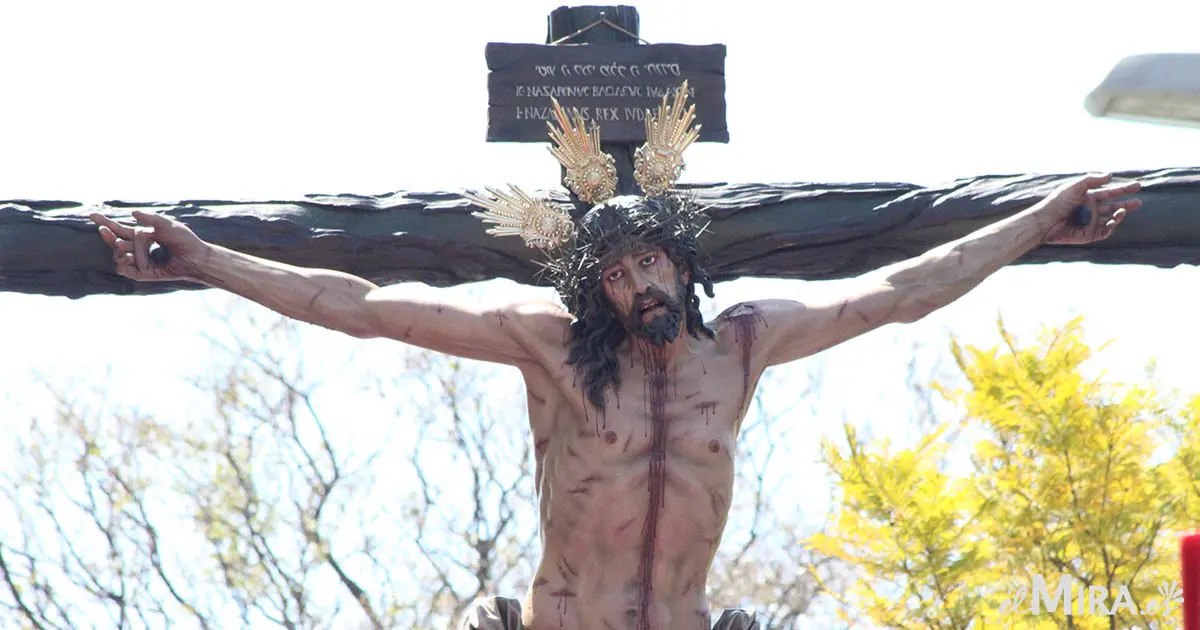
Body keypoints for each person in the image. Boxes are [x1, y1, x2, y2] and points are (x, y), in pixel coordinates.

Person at [89, 88, 1142, 630]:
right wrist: (205, 260)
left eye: (650, 264)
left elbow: (902, 292)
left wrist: (1039, 221)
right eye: (614, 274)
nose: (636, 285)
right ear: (592, 289)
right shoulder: (545, 351)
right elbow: (359, 305)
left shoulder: (746, 343)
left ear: (681, 268)